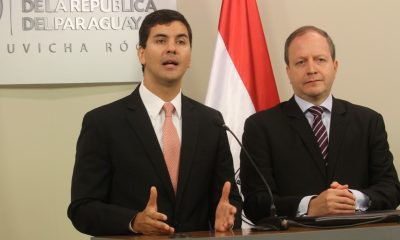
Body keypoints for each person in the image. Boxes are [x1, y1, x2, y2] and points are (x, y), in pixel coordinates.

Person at [68, 9, 242, 236]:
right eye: (161, 40)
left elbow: (228, 200)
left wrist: (228, 218)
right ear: (141, 54)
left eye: (181, 41)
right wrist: (133, 221)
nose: (172, 48)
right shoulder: (102, 123)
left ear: (189, 56)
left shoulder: (211, 122)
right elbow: (82, 208)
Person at [240, 25, 400, 223]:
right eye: (300, 62)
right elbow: (255, 202)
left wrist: (352, 200)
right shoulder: (260, 127)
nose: (311, 69)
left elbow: (391, 189)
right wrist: (309, 205)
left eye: (320, 59)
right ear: (288, 71)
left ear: (335, 66)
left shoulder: (369, 122)